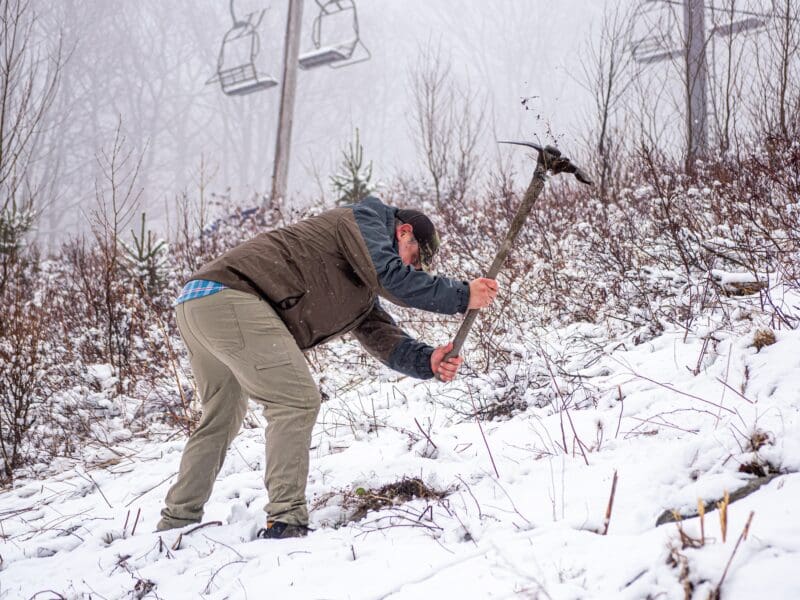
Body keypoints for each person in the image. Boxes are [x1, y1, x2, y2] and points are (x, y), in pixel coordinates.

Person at [157, 195, 499, 539]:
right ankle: (285, 521)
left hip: (198, 303)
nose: (414, 270)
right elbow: (395, 279)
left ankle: (176, 522)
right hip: (232, 297)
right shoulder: (364, 220)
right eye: (414, 259)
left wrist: (427, 360)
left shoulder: (361, 274)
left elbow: (379, 333)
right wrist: (461, 295)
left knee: (221, 416)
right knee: (296, 400)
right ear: (403, 232)